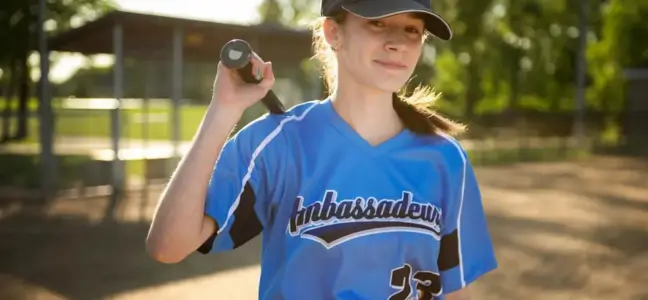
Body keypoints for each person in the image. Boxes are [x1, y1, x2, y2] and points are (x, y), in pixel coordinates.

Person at [145, 0, 498, 299]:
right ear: (333, 33)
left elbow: (453, 288)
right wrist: (223, 111)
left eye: (412, 30)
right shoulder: (276, 143)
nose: (398, 43)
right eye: (377, 23)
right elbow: (168, 246)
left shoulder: (444, 158)